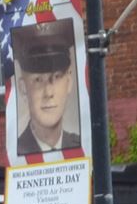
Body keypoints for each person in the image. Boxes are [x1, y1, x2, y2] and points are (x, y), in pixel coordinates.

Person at [9, 17, 84, 157]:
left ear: (69, 81)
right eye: (38, 80)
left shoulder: (79, 144)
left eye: (56, 77)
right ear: (23, 89)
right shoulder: (17, 152)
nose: (48, 92)